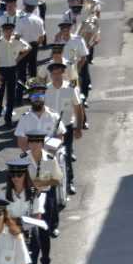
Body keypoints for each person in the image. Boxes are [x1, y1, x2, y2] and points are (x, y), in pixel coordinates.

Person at [2, 160, 45, 264]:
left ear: (25, 175)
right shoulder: (4, 195)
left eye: (19, 174)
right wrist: (16, 223)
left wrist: (16, 222)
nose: (15, 178)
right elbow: (2, 219)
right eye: (12, 175)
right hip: (11, 240)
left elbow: (37, 218)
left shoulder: (34, 193)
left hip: (30, 239)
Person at [25, 131, 64, 264]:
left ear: (42, 143)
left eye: (37, 142)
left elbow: (58, 179)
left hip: (45, 196)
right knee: (29, 231)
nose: (34, 145)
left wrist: (42, 182)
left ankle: (46, 262)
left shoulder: (50, 158)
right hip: (29, 198)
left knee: (44, 232)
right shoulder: (23, 159)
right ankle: (28, 263)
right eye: (32, 142)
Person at [45, 61, 83, 194]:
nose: (56, 76)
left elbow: (78, 109)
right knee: (49, 157)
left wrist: (78, 128)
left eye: (58, 73)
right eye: (53, 74)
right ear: (50, 75)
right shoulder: (46, 90)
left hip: (66, 128)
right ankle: (50, 183)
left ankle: (69, 182)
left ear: (63, 73)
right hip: (48, 130)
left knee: (65, 156)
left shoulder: (71, 89)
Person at [0, 21, 30, 126]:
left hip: (12, 70)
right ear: (3, 31)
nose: (8, 32)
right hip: (1, 70)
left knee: (11, 96)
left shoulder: (17, 41)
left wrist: (18, 59)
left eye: (10, 30)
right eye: (6, 30)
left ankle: (8, 119)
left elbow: (28, 48)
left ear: (13, 31)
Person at [14, 83, 65, 152]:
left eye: (40, 95)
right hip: (31, 158)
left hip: (50, 157)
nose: (37, 99)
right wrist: (32, 155)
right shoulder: (24, 118)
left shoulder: (54, 116)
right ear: (30, 98)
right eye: (34, 96)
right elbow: (21, 141)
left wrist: (51, 152)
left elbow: (59, 136)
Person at [15, 0, 45, 83]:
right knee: (33, 68)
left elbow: (17, 36)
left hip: (23, 46)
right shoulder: (39, 20)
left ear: (25, 7)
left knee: (22, 69)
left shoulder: (20, 19)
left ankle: (22, 88)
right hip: (34, 45)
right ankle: (33, 88)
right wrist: (36, 45)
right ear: (34, 8)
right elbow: (42, 37)